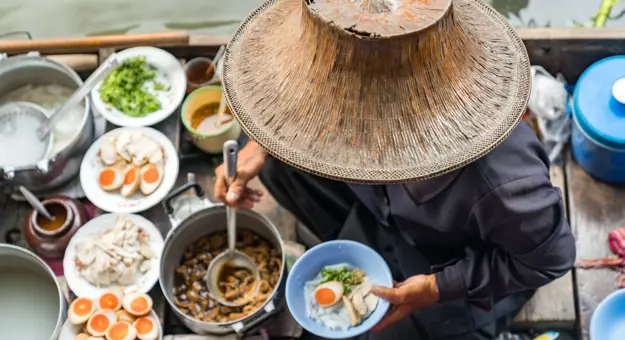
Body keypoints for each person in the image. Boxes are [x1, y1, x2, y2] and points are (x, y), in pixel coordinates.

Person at [213, 0, 576, 338]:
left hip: (453, 258)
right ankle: (360, 243)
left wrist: (436, 288)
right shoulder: (333, 101)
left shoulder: (503, 184)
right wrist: (260, 144)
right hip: (387, 212)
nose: (336, 130)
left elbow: (551, 259)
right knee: (280, 164)